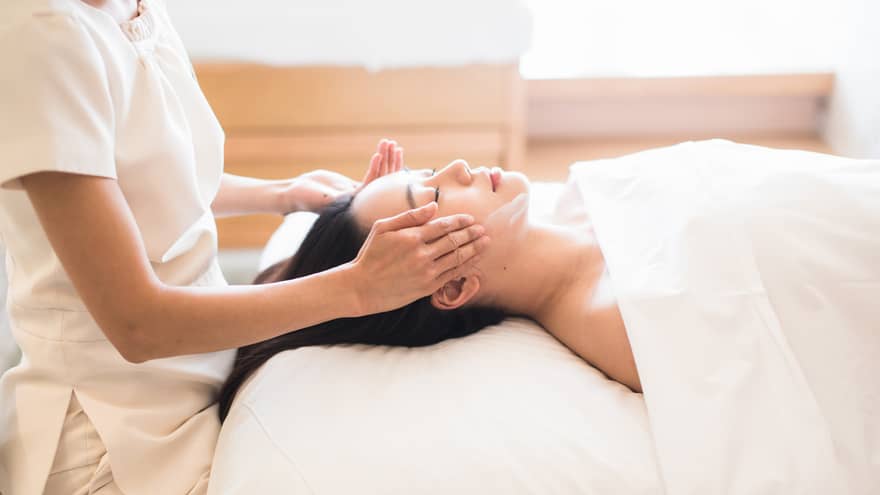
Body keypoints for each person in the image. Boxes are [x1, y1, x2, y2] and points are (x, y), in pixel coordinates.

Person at [0, 1, 489, 494]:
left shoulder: (131, 6)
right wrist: (358, 287)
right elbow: (136, 324)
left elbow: (145, 180)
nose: (463, 169)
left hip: (205, 374)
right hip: (118, 432)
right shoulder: (42, 34)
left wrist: (283, 194)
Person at [219, 159, 642, 420]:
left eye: (428, 170)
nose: (459, 166)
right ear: (452, 286)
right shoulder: (625, 321)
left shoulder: (582, 193)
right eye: (435, 192)